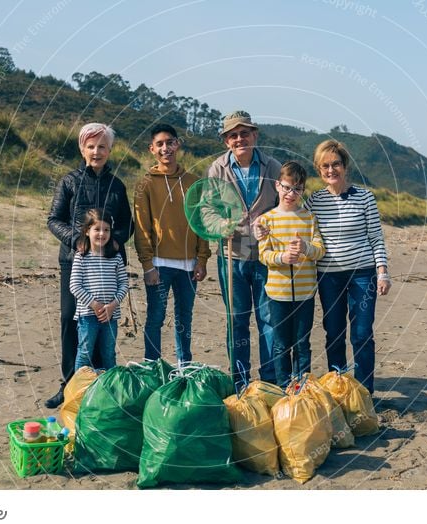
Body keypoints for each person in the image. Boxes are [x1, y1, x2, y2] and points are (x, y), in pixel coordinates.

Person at [46, 123, 134, 408]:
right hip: (75, 261)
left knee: (104, 322)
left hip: (109, 266)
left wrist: (115, 242)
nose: (97, 151)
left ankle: (100, 383)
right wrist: (79, 240)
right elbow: (54, 219)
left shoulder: (117, 185)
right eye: (91, 146)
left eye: (102, 147)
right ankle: (70, 384)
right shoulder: (69, 181)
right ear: (82, 149)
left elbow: (127, 224)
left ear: (110, 150)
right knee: (71, 320)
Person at [305, 140, 391, 394]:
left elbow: (376, 237)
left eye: (336, 164)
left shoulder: (365, 197)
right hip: (328, 277)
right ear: (319, 171)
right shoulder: (315, 201)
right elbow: (298, 224)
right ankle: (338, 389)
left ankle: (364, 392)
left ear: (345, 166)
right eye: (325, 167)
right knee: (334, 332)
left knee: (362, 334)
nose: (331, 170)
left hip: (362, 276)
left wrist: (382, 272)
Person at [205, 110, 281, 388]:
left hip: (265, 256)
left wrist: (270, 221)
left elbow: (287, 205)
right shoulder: (217, 169)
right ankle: (240, 380)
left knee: (268, 319)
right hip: (231, 256)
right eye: (233, 135)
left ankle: (270, 380)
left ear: (255, 135)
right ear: (226, 140)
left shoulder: (272, 167)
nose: (240, 139)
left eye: (244, 133)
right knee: (236, 321)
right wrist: (222, 223)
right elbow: (207, 211)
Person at [133, 124, 210, 366]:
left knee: (184, 318)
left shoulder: (193, 182)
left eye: (170, 142)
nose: (166, 148)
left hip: (189, 265)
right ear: (152, 149)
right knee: (155, 317)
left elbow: (201, 222)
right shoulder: (145, 184)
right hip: (159, 264)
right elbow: (142, 228)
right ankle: (151, 366)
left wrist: (202, 258)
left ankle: (184, 366)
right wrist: (147, 264)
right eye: (160, 144)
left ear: (177, 145)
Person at [257, 162, 324, 388]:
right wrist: (282, 258)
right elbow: (264, 255)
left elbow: (320, 250)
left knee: (302, 343)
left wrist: (305, 247)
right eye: (286, 187)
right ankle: (283, 387)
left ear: (302, 191)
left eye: (297, 189)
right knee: (281, 344)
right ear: (277, 185)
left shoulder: (309, 218)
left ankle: (302, 388)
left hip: (305, 293)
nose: (291, 194)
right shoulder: (267, 220)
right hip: (278, 294)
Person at [70, 208, 129, 372]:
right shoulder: (81, 257)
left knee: (109, 354)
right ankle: (80, 393)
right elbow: (75, 285)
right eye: (97, 229)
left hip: (111, 316)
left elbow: (124, 283)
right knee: (84, 354)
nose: (102, 234)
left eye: (106, 230)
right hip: (88, 316)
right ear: (87, 231)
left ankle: (110, 392)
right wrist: (95, 305)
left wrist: (113, 305)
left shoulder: (115, 256)